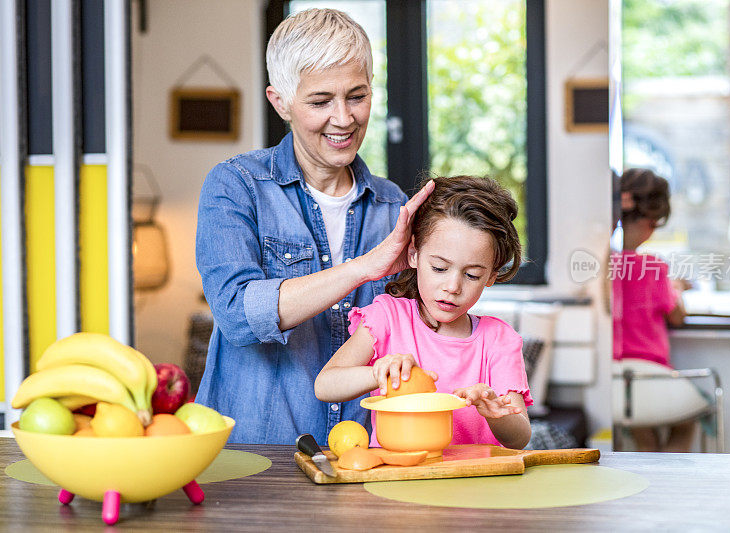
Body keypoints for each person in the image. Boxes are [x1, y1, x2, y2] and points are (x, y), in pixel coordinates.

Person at [195, 8, 434, 444]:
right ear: (280, 102)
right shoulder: (236, 186)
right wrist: (364, 267)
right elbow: (237, 315)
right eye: (321, 102)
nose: (343, 118)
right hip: (258, 458)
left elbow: (414, 330)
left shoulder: (393, 206)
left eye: (357, 96)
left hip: (363, 455)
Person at [315, 176, 533, 450]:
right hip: (396, 479)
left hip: (476, 485)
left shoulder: (498, 339)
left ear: (491, 275)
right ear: (415, 253)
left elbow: (520, 437)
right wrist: (378, 372)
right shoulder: (388, 318)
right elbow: (325, 385)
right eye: (440, 268)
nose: (453, 287)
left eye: (472, 274)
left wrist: (495, 414)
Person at [612, 168, 707, 452]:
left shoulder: (603, 264)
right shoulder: (653, 266)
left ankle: (648, 481)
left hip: (617, 378)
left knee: (644, 436)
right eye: (654, 224)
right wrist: (675, 288)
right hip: (652, 374)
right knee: (686, 420)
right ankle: (663, 482)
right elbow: (677, 316)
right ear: (647, 222)